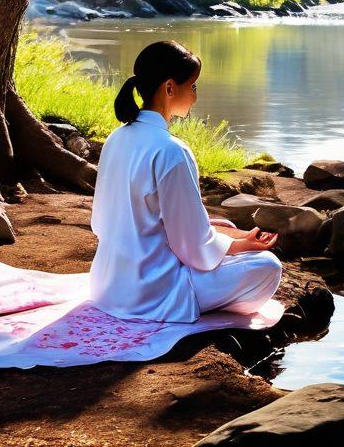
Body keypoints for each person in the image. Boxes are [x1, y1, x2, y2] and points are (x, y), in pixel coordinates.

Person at [88, 40, 282, 323]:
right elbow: (193, 248)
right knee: (268, 267)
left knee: (223, 228)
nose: (194, 95)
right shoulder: (171, 151)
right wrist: (242, 246)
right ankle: (189, 304)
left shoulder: (116, 139)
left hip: (107, 286)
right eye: (192, 86)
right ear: (170, 88)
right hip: (152, 293)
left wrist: (226, 237)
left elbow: (101, 223)